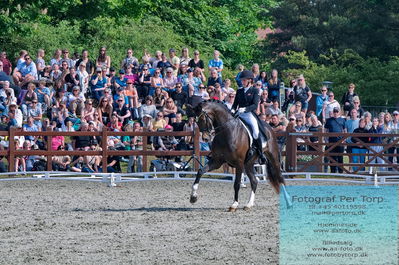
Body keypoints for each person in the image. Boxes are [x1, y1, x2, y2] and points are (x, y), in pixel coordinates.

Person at [231, 70, 267, 164]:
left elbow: (255, 105)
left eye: (244, 80)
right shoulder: (239, 91)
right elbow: (235, 104)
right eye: (242, 80)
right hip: (239, 114)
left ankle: (260, 154)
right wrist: (233, 110)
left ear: (250, 80)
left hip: (249, 114)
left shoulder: (255, 90)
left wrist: (245, 109)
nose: (242, 82)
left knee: (255, 132)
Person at [324, 107, 346, 173]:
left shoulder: (343, 120)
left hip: (340, 141)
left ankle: (340, 171)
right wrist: (326, 140)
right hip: (331, 141)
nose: (335, 113)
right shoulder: (329, 120)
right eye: (334, 111)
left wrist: (343, 140)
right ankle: (333, 171)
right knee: (332, 157)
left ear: (339, 112)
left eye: (337, 111)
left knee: (340, 157)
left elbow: (345, 131)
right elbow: (325, 131)